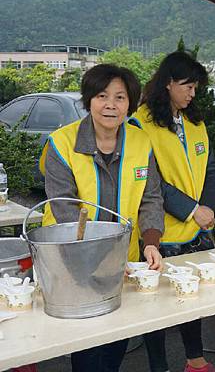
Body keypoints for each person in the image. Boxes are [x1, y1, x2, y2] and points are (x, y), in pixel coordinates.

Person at [40, 64, 164, 372]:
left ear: (130, 104)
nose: (111, 105)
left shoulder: (140, 142)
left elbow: (151, 197)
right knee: (86, 345)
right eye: (101, 95)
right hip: (72, 260)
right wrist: (100, 263)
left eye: (120, 97)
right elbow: (65, 209)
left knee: (116, 337)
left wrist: (151, 242)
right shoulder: (61, 144)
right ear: (88, 100)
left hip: (124, 262)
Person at [130, 51, 215, 372]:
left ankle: (195, 360)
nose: (192, 93)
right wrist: (192, 208)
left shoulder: (194, 121)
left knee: (190, 296)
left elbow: (211, 166)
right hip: (161, 231)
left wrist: (207, 207)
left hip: (196, 231)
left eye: (195, 87)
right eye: (187, 86)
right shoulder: (140, 123)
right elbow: (148, 181)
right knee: (156, 306)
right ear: (168, 83)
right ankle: (159, 366)